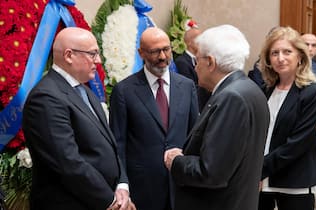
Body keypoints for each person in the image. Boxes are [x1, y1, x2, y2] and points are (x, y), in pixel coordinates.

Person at [22, 27, 135, 210]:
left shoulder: (85, 91)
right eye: (92, 54)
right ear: (69, 55)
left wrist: (122, 186)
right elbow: (68, 162)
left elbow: (110, 145)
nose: (98, 61)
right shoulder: (45, 98)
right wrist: (111, 201)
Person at [164, 24, 270, 210]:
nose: (195, 68)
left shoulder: (231, 98)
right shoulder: (249, 88)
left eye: (197, 61)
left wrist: (176, 162)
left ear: (211, 62)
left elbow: (211, 172)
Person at [109, 27, 199, 210]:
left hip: (182, 187)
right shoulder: (124, 91)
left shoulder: (187, 86)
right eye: (154, 51)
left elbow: (195, 136)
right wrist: (122, 185)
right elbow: (118, 145)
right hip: (143, 191)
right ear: (141, 53)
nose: (162, 57)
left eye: (166, 49)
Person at [258, 27, 316, 210]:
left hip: (294, 182)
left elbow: (297, 143)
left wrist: (259, 169)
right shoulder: (266, 90)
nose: (280, 58)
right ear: (268, 59)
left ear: (300, 57)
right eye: (274, 53)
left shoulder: (313, 93)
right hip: (263, 183)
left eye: (287, 52)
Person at [174, 28, 211, 111]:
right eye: (201, 39)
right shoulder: (182, 62)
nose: (203, 42)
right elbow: (190, 87)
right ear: (190, 42)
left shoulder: (202, 59)